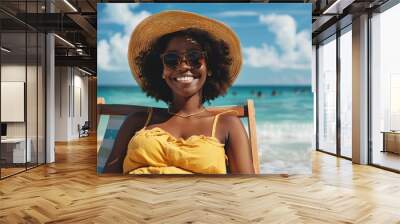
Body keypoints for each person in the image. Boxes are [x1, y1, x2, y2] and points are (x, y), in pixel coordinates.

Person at [103, 10, 254, 174]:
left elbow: (247, 189)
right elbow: (107, 182)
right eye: (171, 59)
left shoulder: (227, 124)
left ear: (209, 67)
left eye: (195, 57)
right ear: (161, 70)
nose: (183, 66)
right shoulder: (137, 121)